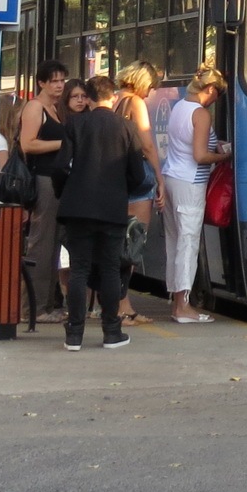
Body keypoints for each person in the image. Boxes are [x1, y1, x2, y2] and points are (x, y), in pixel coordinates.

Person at [56, 92, 142, 351]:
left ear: (90, 100)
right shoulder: (127, 127)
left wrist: (66, 192)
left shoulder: (75, 124)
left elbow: (60, 166)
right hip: (112, 209)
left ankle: (74, 334)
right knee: (110, 269)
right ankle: (111, 332)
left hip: (78, 208)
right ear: (112, 98)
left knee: (79, 269)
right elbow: (138, 174)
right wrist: (121, 189)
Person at [161, 62, 228, 324]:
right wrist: (226, 156)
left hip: (172, 178)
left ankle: (176, 302)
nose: (215, 100)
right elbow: (200, 156)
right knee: (188, 243)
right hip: (190, 183)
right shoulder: (201, 113)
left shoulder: (179, 107)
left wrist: (215, 146)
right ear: (210, 89)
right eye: (216, 95)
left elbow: (187, 144)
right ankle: (183, 307)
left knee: (174, 242)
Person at [104, 67, 163, 327]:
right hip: (138, 177)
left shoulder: (115, 100)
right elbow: (147, 145)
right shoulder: (136, 102)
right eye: (150, 86)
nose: (150, 92)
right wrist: (160, 178)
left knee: (117, 243)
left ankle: (116, 304)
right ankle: (122, 306)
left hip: (116, 177)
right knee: (133, 244)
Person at [17, 62, 70, 321]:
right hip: (43, 180)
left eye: (62, 80)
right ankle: (33, 308)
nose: (59, 85)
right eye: (54, 81)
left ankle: (47, 305)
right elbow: (27, 144)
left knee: (54, 244)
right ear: (41, 83)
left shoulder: (56, 109)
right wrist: (63, 144)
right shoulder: (35, 107)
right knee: (42, 242)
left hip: (58, 180)